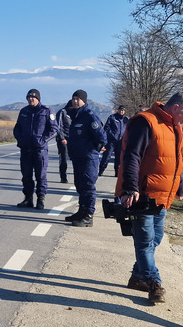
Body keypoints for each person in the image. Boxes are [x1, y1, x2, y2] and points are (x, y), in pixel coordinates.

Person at [116, 91, 183, 305]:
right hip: (142, 194)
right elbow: (132, 156)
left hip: (164, 194)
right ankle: (154, 283)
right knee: (144, 242)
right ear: (177, 108)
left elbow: (176, 160)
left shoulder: (177, 128)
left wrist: (180, 185)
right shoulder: (145, 122)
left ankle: (137, 276)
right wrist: (130, 188)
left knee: (156, 238)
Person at [62, 89, 107, 227]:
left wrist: (94, 150)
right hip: (78, 157)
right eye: (74, 98)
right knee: (80, 185)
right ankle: (82, 211)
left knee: (88, 186)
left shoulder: (89, 116)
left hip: (88, 158)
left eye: (78, 99)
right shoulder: (76, 116)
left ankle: (88, 216)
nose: (75, 101)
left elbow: (101, 137)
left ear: (84, 100)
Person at [13, 88, 56, 210]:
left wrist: (42, 141)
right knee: (26, 176)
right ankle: (28, 199)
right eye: (29, 97)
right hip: (25, 149)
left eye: (33, 97)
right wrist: (21, 140)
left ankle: (40, 199)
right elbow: (17, 128)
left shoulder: (47, 111)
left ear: (38, 98)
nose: (31, 99)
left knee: (40, 176)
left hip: (40, 151)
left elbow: (54, 129)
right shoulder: (24, 111)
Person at [101, 106, 129, 176]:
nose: (121, 111)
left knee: (119, 158)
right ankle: (100, 170)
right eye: (120, 110)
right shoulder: (112, 117)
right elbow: (106, 128)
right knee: (107, 156)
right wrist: (112, 135)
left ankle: (117, 173)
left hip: (121, 141)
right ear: (118, 110)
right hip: (111, 141)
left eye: (123, 110)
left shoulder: (126, 119)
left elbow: (128, 129)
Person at [54, 99, 72, 184]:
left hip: (73, 140)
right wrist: (62, 138)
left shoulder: (76, 113)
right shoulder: (62, 112)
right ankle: (63, 177)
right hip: (63, 139)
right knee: (63, 158)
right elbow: (58, 126)